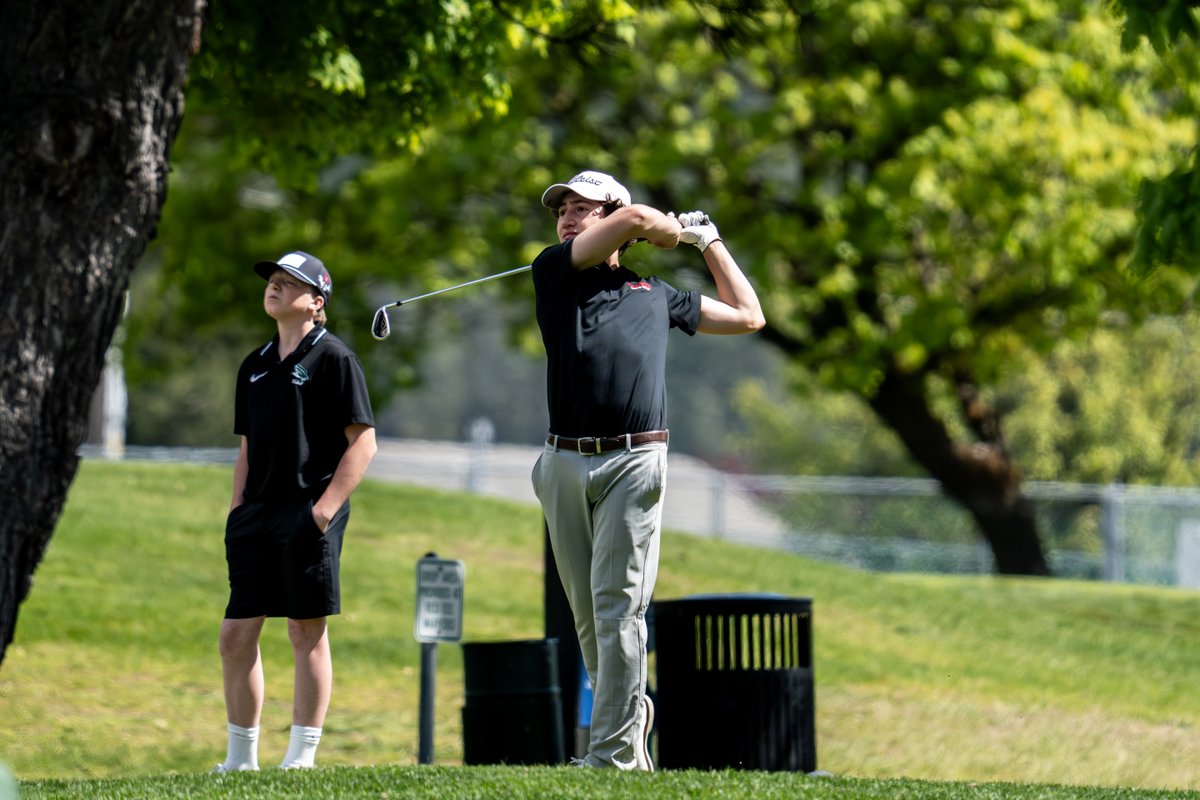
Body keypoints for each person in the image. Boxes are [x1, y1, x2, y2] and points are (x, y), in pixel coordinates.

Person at [530, 170, 765, 770]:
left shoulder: (656, 295)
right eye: (564, 209)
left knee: (620, 608)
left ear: (608, 213)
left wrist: (708, 241)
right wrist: (670, 231)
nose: (568, 218)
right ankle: (631, 713)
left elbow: (748, 315)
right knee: (589, 619)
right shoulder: (552, 270)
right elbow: (636, 221)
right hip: (562, 462)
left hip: (635, 460)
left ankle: (611, 757)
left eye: (583, 208)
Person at [214, 250, 377, 773]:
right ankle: (241, 761)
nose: (276, 288)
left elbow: (364, 443)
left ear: (316, 303)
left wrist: (324, 512)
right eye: (274, 281)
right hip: (256, 515)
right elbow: (247, 447)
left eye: (290, 283)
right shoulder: (255, 365)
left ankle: (300, 760)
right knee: (236, 634)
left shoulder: (334, 358)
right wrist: (238, 509)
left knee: (304, 631)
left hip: (309, 511)